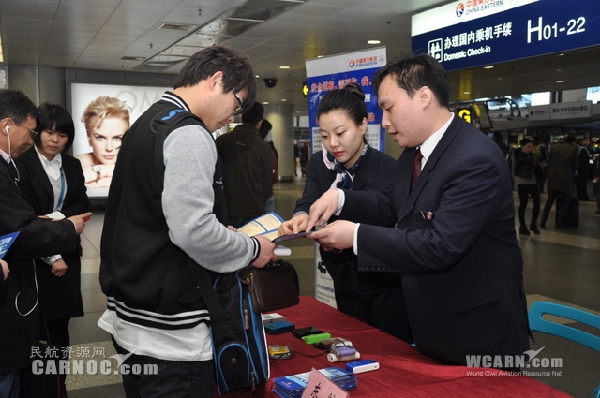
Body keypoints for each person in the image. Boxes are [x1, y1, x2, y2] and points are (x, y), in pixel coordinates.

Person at [305, 54, 530, 368]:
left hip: (476, 332)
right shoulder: (412, 155)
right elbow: (392, 205)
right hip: (432, 325)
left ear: (423, 97)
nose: (384, 122)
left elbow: (441, 245)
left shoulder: (474, 159)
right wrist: (341, 200)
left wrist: (355, 236)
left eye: (388, 107)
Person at [97, 46, 278, 398]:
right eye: (236, 104)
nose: (233, 117)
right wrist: (252, 247)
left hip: (132, 318)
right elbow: (192, 231)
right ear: (216, 81)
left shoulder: (148, 122)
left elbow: (155, 213)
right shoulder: (189, 133)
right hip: (172, 337)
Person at [278, 83, 410, 342]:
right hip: (342, 274)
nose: (333, 144)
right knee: (353, 342)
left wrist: (341, 198)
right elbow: (308, 199)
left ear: (362, 125)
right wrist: (301, 216)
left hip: (381, 279)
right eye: (325, 136)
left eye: (340, 133)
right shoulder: (319, 163)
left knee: (388, 346)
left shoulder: (387, 167)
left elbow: (386, 210)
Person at [0, 88, 90, 398]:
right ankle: (40, 388)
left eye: (61, 134)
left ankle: (57, 385)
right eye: (43, 132)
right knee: (34, 335)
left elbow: (80, 202)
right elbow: (23, 223)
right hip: (35, 262)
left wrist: (62, 227)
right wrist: (58, 241)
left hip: (64, 251)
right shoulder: (18, 164)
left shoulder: (73, 166)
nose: (53, 139)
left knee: (59, 331)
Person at [216, 102, 274, 228]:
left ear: (242, 118)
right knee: (252, 245)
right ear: (260, 122)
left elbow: (214, 173)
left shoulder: (222, 141)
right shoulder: (264, 147)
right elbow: (267, 181)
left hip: (227, 209)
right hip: (254, 209)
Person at [76, 96, 130, 189]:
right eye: (100, 138)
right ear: (89, 137)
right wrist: (111, 170)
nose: (109, 148)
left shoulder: (138, 162)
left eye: (117, 138)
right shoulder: (76, 162)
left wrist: (97, 176)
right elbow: (71, 181)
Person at [539, 132, 579, 228]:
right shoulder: (573, 149)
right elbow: (576, 165)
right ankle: (560, 222)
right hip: (565, 178)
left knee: (550, 200)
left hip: (552, 177)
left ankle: (543, 221)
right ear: (573, 142)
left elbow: (549, 161)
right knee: (566, 200)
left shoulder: (554, 148)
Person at [514, 138, 542, 235]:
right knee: (523, 204)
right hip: (523, 182)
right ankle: (522, 225)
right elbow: (526, 162)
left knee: (537, 202)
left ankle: (533, 223)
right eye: (528, 147)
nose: (530, 149)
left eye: (531, 147)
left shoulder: (532, 156)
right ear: (523, 147)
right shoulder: (519, 155)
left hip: (533, 182)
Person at [259, 119, 278, 213]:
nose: (270, 134)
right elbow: (274, 177)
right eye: (268, 131)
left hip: (267, 196)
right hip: (264, 196)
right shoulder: (267, 150)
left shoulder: (270, 149)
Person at [576, 137, 592, 201]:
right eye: (585, 140)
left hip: (582, 168)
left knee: (581, 183)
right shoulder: (582, 149)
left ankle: (581, 196)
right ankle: (583, 196)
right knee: (582, 183)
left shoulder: (584, 149)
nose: (587, 142)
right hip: (583, 169)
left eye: (588, 140)